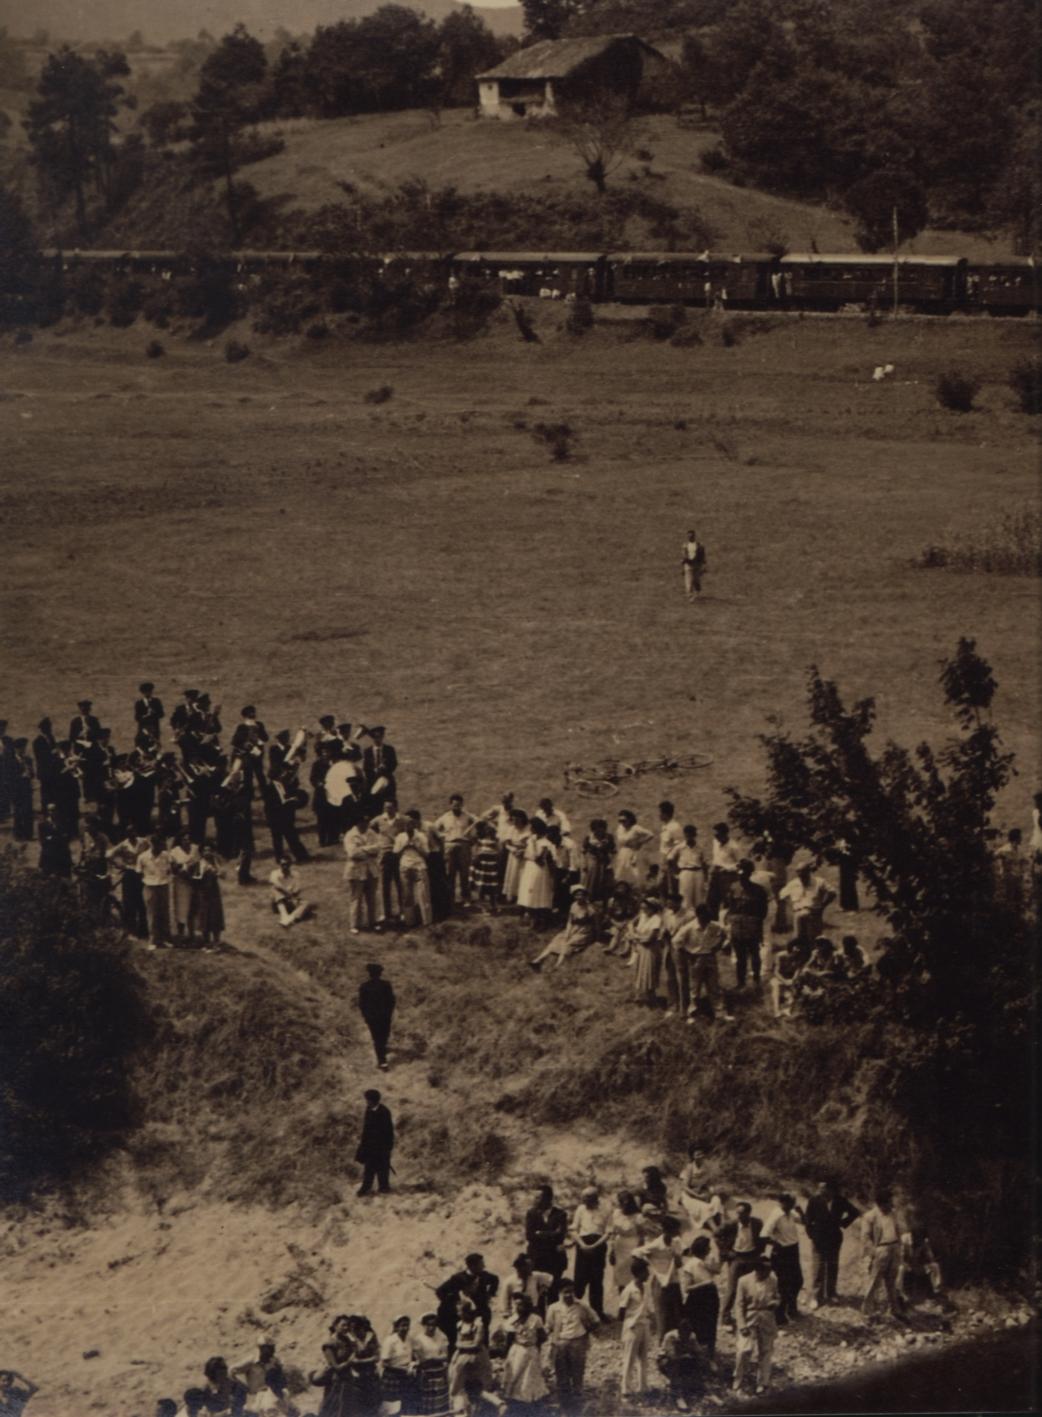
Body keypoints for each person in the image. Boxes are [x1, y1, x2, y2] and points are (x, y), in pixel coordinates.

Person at [804, 1177, 860, 1309]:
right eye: (819, 1188)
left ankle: (831, 1293)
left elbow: (855, 1212)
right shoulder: (814, 1200)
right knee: (818, 1267)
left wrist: (843, 1223)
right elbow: (807, 1220)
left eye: (823, 1188)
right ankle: (815, 1296)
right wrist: (812, 1235)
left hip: (834, 1238)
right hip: (818, 1238)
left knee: (832, 1266)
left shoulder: (840, 1200)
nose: (820, 1191)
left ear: (831, 1189)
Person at [545, 1279, 597, 1414]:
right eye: (565, 1292)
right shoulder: (553, 1308)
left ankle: (577, 1406)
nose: (569, 1295)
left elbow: (595, 1320)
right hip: (560, 1343)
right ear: (559, 1292)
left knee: (577, 1373)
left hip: (577, 1343)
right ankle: (565, 1406)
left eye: (571, 1291)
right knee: (561, 1376)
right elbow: (548, 1326)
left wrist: (587, 1331)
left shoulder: (582, 1306)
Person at [674, 904, 732, 1023]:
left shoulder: (714, 926)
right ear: (699, 915)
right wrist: (688, 953)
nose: (708, 918)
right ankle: (692, 1014)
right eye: (705, 916)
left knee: (714, 986)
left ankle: (720, 1013)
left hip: (710, 957)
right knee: (695, 988)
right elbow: (676, 941)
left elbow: (726, 933)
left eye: (709, 916)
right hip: (695, 959)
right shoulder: (689, 927)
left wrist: (718, 946)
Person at [733, 1254, 779, 1396]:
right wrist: (742, 1325)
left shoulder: (773, 1279)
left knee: (766, 1351)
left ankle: (763, 1383)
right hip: (749, 1319)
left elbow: (777, 1296)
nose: (768, 1272)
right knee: (744, 1350)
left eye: (770, 1269)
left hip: (766, 1318)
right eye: (765, 1270)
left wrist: (775, 1303)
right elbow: (739, 1305)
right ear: (757, 1270)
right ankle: (738, 1382)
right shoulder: (743, 1281)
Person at [446, 1299, 501, 1415]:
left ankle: (483, 1410)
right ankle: (460, 1410)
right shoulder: (460, 1325)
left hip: (477, 1357)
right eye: (458, 1311)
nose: (458, 1314)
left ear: (467, 1312)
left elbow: (477, 1344)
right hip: (462, 1357)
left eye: (460, 1311)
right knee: (458, 1383)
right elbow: (457, 1342)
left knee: (480, 1384)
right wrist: (464, 1345)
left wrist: (462, 1346)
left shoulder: (478, 1324)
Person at [634, 1213, 685, 1336]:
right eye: (675, 1230)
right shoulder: (657, 1244)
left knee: (677, 1313)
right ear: (667, 1230)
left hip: (674, 1281)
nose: (678, 1232)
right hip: (660, 1282)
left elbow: (679, 1264)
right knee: (663, 1314)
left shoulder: (676, 1242)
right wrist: (652, 1263)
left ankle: (676, 1341)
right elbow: (636, 1252)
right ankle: (662, 1343)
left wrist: (677, 1256)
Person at [436, 1255, 499, 1350]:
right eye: (481, 1264)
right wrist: (455, 1300)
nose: (484, 1266)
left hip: (480, 1313)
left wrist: (490, 1294)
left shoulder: (484, 1276)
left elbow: (495, 1279)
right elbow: (440, 1291)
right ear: (472, 1266)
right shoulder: (457, 1278)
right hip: (464, 1315)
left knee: (482, 1337)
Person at [861, 1188, 905, 1318]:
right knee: (874, 1281)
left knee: (892, 1281)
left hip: (894, 1248)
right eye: (888, 1202)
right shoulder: (870, 1217)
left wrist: (899, 1247)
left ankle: (894, 1309)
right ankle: (867, 1311)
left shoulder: (893, 1214)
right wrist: (874, 1253)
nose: (891, 1204)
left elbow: (898, 1230)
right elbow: (865, 1238)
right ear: (881, 1203)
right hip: (881, 1250)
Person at [530, 885, 597, 969]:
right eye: (577, 895)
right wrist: (568, 933)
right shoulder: (574, 905)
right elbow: (570, 921)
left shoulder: (590, 909)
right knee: (558, 939)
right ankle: (538, 960)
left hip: (584, 931)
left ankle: (557, 966)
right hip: (573, 928)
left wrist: (595, 937)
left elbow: (596, 924)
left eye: (581, 895)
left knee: (568, 944)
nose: (579, 897)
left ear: (585, 896)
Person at [719, 1202, 764, 1327]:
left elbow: (763, 1237)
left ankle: (747, 1315)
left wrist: (760, 1251)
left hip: (752, 1256)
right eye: (737, 1213)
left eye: (742, 1213)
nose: (739, 1216)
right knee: (732, 1288)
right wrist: (726, 1252)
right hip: (737, 1257)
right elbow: (717, 1235)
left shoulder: (757, 1223)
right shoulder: (731, 1224)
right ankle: (725, 1317)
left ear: (748, 1213)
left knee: (751, 1286)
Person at [725, 859, 768, 987]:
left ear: (749, 873)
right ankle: (741, 982)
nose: (741, 876)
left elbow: (763, 911)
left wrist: (756, 924)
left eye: (744, 874)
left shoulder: (759, 890)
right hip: (737, 925)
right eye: (739, 873)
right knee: (740, 956)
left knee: (754, 953)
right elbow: (730, 907)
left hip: (752, 925)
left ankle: (756, 980)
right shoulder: (733, 887)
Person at [618, 1256, 656, 1400]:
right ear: (639, 1273)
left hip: (644, 1325)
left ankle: (643, 1388)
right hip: (632, 1327)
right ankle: (625, 1390)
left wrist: (651, 1319)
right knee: (629, 1358)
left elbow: (647, 1306)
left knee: (644, 1358)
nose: (648, 1274)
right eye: (646, 1271)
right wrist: (630, 1322)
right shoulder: (629, 1290)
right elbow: (621, 1312)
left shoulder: (646, 1287)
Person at [763, 1194, 804, 1323]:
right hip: (782, 1252)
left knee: (797, 1281)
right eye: (791, 1202)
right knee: (783, 1284)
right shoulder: (776, 1214)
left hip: (793, 1249)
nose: (793, 1204)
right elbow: (764, 1235)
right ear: (782, 1202)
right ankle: (779, 1315)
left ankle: (791, 1308)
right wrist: (776, 1243)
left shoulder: (791, 1213)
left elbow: (804, 1222)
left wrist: (801, 1211)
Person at [500, 1295, 548, 1407]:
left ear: (527, 1306)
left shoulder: (535, 1319)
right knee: (515, 1373)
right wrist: (506, 1353)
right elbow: (509, 1338)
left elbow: (543, 1336)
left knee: (529, 1375)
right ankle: (514, 1397)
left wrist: (534, 1345)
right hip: (517, 1349)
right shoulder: (512, 1320)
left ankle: (529, 1398)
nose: (518, 1307)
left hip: (531, 1349)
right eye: (516, 1305)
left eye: (521, 1305)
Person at [570, 1185, 609, 1318]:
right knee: (579, 1279)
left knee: (596, 1280)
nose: (583, 1200)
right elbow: (573, 1230)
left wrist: (594, 1246)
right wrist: (583, 1245)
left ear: (594, 1198)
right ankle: (574, 1312)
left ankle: (597, 1312)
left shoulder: (605, 1210)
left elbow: (608, 1232)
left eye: (586, 1198)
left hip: (598, 1246)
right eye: (583, 1198)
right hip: (583, 1246)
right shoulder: (580, 1209)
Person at [678, 1235, 721, 1356]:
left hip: (710, 1298)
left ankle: (710, 1356)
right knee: (698, 1329)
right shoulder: (690, 1265)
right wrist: (705, 1283)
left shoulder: (705, 1263)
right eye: (708, 1247)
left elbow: (718, 1269)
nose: (709, 1250)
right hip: (697, 1299)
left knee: (711, 1328)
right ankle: (696, 1356)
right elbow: (686, 1288)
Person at [525, 1184, 569, 1298]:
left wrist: (539, 1233)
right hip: (536, 1259)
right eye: (535, 1197)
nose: (535, 1200)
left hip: (555, 1259)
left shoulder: (560, 1214)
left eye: (538, 1197)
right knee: (536, 1292)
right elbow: (529, 1236)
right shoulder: (531, 1213)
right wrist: (552, 1233)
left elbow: (560, 1235)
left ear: (548, 1198)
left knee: (553, 1292)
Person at [658, 1315, 706, 1411]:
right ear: (679, 1332)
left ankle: (702, 1388)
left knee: (699, 1361)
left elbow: (698, 1351)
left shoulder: (691, 1336)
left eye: (688, 1334)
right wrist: (687, 1355)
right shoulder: (671, 1337)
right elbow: (672, 1356)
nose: (686, 1337)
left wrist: (700, 1355)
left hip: (683, 1358)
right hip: (665, 1361)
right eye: (684, 1334)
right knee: (674, 1365)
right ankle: (677, 1396)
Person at [435, 795, 476, 908]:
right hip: (450, 846)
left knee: (464, 874)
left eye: (459, 805)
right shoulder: (445, 817)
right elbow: (434, 829)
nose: (456, 807)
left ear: (462, 805)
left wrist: (473, 838)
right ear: (450, 805)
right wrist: (443, 838)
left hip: (464, 846)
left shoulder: (467, 816)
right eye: (454, 805)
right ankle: (450, 898)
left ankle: (466, 898)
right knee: (450, 874)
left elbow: (478, 823)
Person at [344, 819, 383, 934]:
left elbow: (378, 848)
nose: (365, 825)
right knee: (356, 898)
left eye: (366, 823)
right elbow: (353, 853)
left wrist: (362, 849)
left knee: (372, 897)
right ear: (357, 823)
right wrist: (370, 851)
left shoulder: (371, 833)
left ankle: (373, 922)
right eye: (362, 823)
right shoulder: (350, 835)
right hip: (356, 870)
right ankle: (355, 924)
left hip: (371, 870)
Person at [780, 860, 836, 941]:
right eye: (799, 875)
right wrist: (791, 905)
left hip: (814, 913)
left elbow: (832, 892)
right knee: (798, 939)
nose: (802, 878)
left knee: (814, 939)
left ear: (808, 872)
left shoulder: (819, 882)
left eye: (804, 875)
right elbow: (782, 895)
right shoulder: (793, 883)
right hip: (798, 913)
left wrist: (823, 906)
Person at [312, 1314, 356, 1417]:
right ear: (335, 1326)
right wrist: (350, 1361)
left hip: (348, 1379)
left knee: (347, 1409)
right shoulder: (329, 1344)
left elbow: (357, 1350)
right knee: (334, 1409)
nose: (346, 1328)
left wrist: (353, 1337)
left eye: (348, 1325)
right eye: (343, 1325)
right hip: (336, 1382)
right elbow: (336, 1367)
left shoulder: (347, 1341)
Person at [395, 815, 433, 927]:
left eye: (410, 824)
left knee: (423, 894)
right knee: (407, 895)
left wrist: (416, 847)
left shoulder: (421, 836)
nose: (408, 827)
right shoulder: (400, 837)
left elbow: (427, 854)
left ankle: (427, 922)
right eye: (406, 825)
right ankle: (410, 922)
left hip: (419, 866)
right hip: (405, 866)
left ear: (414, 825)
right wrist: (404, 846)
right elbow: (396, 854)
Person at [517, 817, 556, 926]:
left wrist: (528, 852)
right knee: (528, 891)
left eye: (532, 827)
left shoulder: (545, 843)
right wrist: (524, 851)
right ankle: (529, 916)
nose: (530, 829)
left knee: (537, 891)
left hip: (539, 870)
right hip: (529, 868)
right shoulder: (531, 839)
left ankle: (539, 919)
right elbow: (527, 851)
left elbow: (540, 860)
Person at [356, 1088, 394, 1196]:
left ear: (373, 1100)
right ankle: (366, 1188)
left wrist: (387, 1147)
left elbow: (388, 1131)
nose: (366, 1102)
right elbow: (366, 1130)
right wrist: (363, 1146)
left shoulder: (384, 1112)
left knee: (383, 1169)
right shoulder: (368, 1110)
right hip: (370, 1146)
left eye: (368, 1100)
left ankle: (384, 1189)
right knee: (369, 1169)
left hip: (381, 1147)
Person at [358, 962, 396, 1071]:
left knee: (377, 1038)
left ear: (369, 974)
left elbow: (362, 1004)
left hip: (372, 1018)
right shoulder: (386, 985)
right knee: (383, 1036)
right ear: (380, 973)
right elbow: (392, 1001)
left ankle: (381, 1058)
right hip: (384, 1017)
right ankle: (383, 1061)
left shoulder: (364, 987)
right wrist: (389, 1013)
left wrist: (366, 1016)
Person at [379, 1315, 419, 1417]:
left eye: (407, 1325)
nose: (405, 1328)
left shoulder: (409, 1339)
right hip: (393, 1376)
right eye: (402, 1325)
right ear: (396, 1327)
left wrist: (414, 1364)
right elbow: (384, 1363)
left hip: (407, 1375)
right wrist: (402, 1369)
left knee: (406, 1403)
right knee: (393, 1407)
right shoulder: (390, 1341)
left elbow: (413, 1355)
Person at [138, 832, 172, 948]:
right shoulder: (142, 857)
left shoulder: (166, 855)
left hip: (163, 885)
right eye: (155, 844)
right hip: (150, 886)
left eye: (160, 844)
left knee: (164, 913)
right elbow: (139, 873)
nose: (158, 846)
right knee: (152, 914)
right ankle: (153, 940)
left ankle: (165, 938)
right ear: (150, 844)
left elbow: (170, 869)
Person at [184, 1356, 248, 1416]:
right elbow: (193, 1408)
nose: (224, 1375)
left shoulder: (229, 1383)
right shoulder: (206, 1390)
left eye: (224, 1371)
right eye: (221, 1374)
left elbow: (242, 1392)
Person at [188, 845, 225, 949]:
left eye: (209, 850)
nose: (207, 852)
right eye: (205, 850)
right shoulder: (198, 863)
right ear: (201, 853)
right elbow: (193, 877)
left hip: (214, 893)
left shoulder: (215, 862)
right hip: (203, 893)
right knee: (204, 916)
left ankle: (216, 941)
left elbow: (223, 875)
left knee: (216, 915)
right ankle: (206, 942)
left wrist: (216, 871)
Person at [413, 1313, 450, 1417]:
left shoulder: (442, 1336)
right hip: (427, 1375)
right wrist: (436, 1358)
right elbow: (422, 1360)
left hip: (440, 1374)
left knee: (441, 1402)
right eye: (428, 1325)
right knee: (428, 1404)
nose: (431, 1328)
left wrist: (432, 1358)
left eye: (434, 1325)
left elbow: (445, 1356)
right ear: (423, 1325)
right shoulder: (418, 1339)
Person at [608, 1190, 643, 1296]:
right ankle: (623, 1300)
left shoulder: (638, 1217)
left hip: (633, 1246)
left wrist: (639, 1253)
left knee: (634, 1275)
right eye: (621, 1203)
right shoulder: (616, 1214)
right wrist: (612, 1251)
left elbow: (642, 1236)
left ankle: (637, 1302)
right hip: (619, 1247)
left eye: (626, 1203)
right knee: (620, 1277)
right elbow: (613, 1233)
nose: (624, 1206)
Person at [631, 895, 664, 1004]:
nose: (644, 910)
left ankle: (651, 997)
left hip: (651, 949)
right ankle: (640, 995)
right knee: (639, 970)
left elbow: (649, 939)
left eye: (646, 908)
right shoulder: (642, 915)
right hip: (640, 948)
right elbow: (630, 923)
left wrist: (635, 937)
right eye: (643, 908)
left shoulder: (656, 919)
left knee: (649, 971)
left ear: (653, 908)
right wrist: (632, 932)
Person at [169, 830, 200, 942]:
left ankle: (192, 934)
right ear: (180, 840)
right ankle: (180, 934)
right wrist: (182, 870)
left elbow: (198, 864)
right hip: (180, 883)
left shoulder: (195, 849)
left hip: (194, 882)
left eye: (188, 839)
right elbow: (173, 869)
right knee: (181, 908)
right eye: (184, 839)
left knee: (193, 907)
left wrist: (193, 874)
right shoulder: (174, 852)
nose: (187, 841)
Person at [503, 1253, 554, 1318]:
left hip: (534, 1310)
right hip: (518, 1312)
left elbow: (550, 1278)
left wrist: (543, 1288)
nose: (529, 1269)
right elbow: (505, 1299)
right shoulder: (510, 1281)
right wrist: (506, 1313)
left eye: (530, 1267)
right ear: (518, 1268)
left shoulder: (535, 1276)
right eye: (526, 1267)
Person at [707, 823, 740, 921]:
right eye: (715, 835)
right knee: (712, 900)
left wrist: (728, 868)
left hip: (727, 876)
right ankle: (713, 923)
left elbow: (740, 863)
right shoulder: (715, 842)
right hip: (715, 874)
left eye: (718, 835)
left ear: (725, 834)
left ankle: (727, 923)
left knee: (727, 900)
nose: (716, 837)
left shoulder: (734, 846)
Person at [615, 811, 654, 890]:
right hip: (622, 852)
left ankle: (636, 890)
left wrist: (640, 842)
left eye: (624, 820)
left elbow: (650, 834)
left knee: (634, 873)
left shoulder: (635, 828)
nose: (622, 823)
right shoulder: (620, 828)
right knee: (620, 872)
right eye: (620, 821)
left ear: (630, 819)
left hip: (632, 852)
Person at [674, 826, 708, 912]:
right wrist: (675, 873)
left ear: (695, 835)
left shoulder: (700, 847)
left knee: (699, 897)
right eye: (687, 835)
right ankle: (686, 916)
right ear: (684, 835)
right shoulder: (679, 847)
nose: (689, 837)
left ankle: (699, 917)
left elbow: (705, 863)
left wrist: (706, 879)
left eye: (691, 835)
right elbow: (670, 860)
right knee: (685, 897)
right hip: (685, 872)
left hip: (698, 872)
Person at [470, 822, 501, 914]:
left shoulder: (496, 840)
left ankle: (493, 905)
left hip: (491, 866)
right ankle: (484, 907)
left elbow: (499, 851)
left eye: (490, 830)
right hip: (482, 865)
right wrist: (476, 857)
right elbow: (475, 851)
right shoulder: (479, 840)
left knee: (492, 886)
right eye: (487, 830)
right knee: (482, 885)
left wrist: (495, 856)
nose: (488, 831)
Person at [270, 857, 309, 928]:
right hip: (278, 902)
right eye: (283, 864)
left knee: (306, 903)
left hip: (290, 900)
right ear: (279, 864)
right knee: (275, 889)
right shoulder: (274, 873)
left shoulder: (295, 874)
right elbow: (276, 884)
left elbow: (298, 888)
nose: (285, 866)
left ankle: (289, 919)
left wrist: (293, 894)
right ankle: (284, 915)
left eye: (287, 864)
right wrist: (288, 893)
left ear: (290, 864)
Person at [658, 802, 685, 899]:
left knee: (672, 887)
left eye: (660, 813)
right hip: (663, 860)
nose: (659, 815)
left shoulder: (675, 827)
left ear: (666, 814)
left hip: (671, 862)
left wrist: (671, 861)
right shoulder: (665, 826)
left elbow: (679, 846)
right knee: (662, 885)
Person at [681, 529, 707, 601]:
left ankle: (697, 594)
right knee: (688, 581)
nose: (690, 537)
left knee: (696, 580)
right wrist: (683, 566)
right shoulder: (685, 546)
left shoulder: (699, 545)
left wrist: (704, 566)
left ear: (694, 536)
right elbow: (683, 556)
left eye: (691, 536)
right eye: (689, 536)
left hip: (697, 565)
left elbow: (703, 556)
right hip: (688, 565)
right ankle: (690, 595)